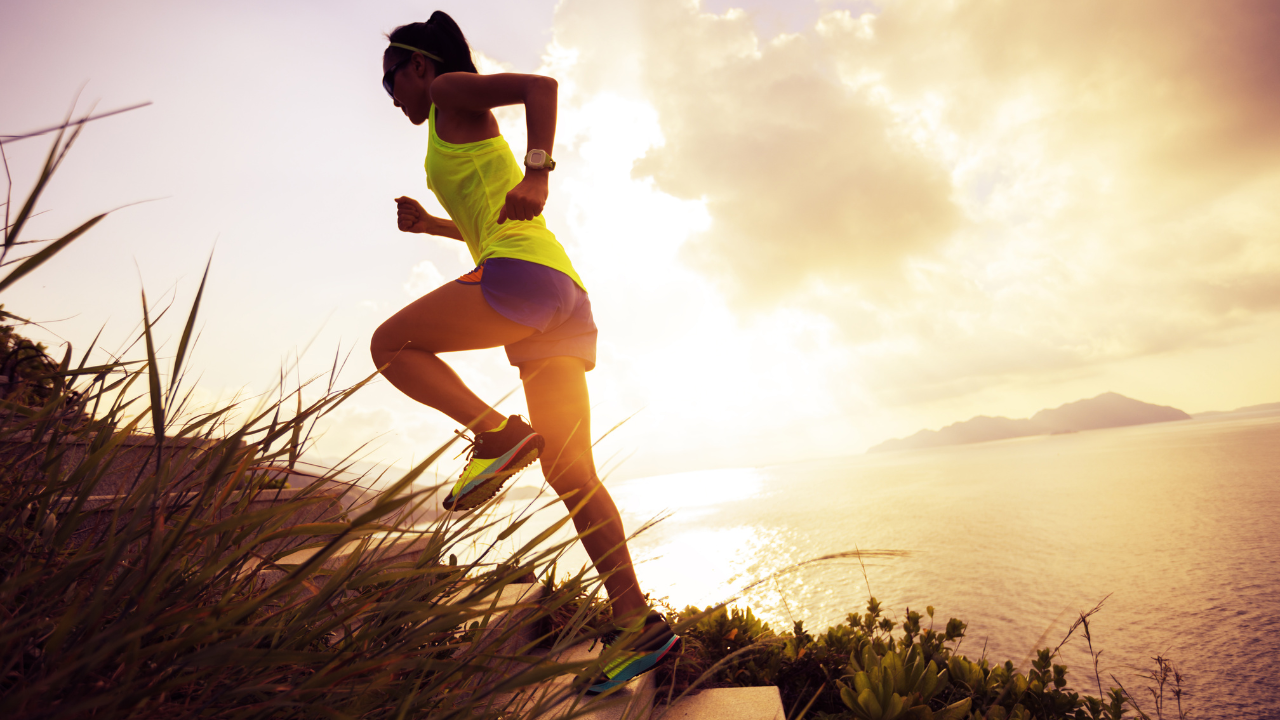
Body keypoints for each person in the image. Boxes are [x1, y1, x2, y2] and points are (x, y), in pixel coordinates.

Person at [369, 11, 679, 694]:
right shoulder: (450, 128)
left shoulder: (450, 89)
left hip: (524, 280)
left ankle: (496, 434)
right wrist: (432, 226)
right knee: (571, 472)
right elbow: (492, 225)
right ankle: (636, 626)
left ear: (418, 65)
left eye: (389, 76)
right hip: (556, 290)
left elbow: (542, 86)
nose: (387, 92)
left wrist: (539, 173)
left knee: (389, 345)